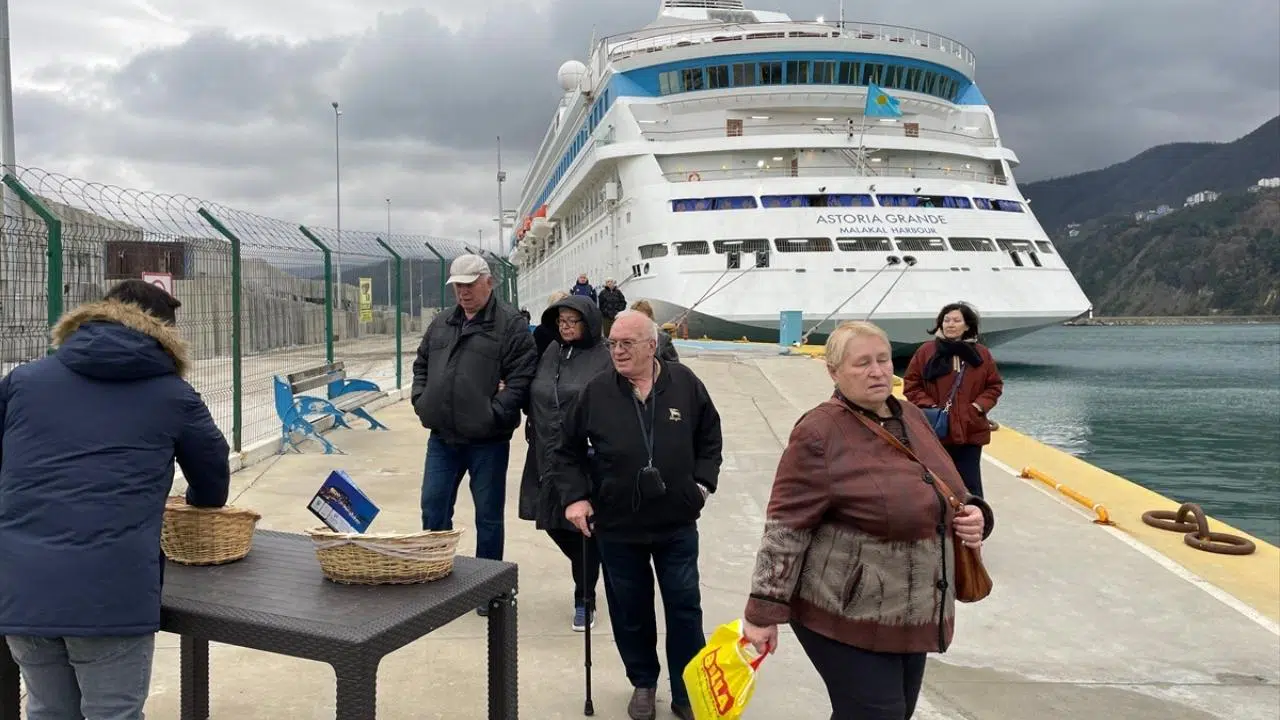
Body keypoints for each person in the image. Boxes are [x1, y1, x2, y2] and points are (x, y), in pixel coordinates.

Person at [0, 280, 231, 719]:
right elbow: (212, 474)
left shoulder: (24, 381)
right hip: (111, 593)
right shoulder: (173, 394)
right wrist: (200, 501)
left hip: (23, 584)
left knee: (47, 710)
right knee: (113, 713)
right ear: (164, 331)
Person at [740, 320, 992, 720]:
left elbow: (951, 490)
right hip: (845, 614)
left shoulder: (911, 417)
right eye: (862, 363)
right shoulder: (820, 432)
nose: (877, 371)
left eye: (883, 360)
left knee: (892, 713)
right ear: (834, 371)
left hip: (911, 613)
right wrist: (762, 614)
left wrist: (976, 513)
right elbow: (785, 529)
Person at [547, 310, 723, 720]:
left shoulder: (685, 384)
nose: (618, 352)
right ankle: (643, 682)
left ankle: (686, 691)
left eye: (627, 344)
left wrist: (701, 485)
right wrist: (575, 498)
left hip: (676, 523)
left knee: (684, 606)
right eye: (613, 344)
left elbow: (710, 437)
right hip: (618, 525)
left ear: (652, 346)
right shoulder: (596, 392)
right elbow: (565, 451)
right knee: (630, 609)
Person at [412, 253, 538, 614]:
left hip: (488, 441)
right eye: (458, 286)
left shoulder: (510, 326)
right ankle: (436, 577)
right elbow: (422, 364)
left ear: (488, 282)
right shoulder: (442, 323)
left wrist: (494, 413)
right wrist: (422, 400)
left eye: (469, 285)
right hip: (443, 437)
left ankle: (488, 589)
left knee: (488, 516)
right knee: (433, 507)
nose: (463, 293)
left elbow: (521, 378)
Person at [517, 295, 613, 632]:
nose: (565, 327)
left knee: (580, 526)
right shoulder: (552, 352)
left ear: (589, 322)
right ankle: (594, 562)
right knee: (552, 521)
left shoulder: (604, 356)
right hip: (544, 451)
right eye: (561, 321)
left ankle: (584, 598)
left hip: (583, 457)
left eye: (573, 321)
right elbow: (535, 392)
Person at [902, 302, 1004, 497]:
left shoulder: (981, 353)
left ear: (967, 325)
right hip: (936, 428)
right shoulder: (926, 351)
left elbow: (994, 385)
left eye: (956, 320)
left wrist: (977, 407)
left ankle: (975, 515)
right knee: (937, 483)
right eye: (946, 320)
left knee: (970, 485)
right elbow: (912, 384)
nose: (950, 324)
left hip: (970, 428)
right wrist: (930, 406)